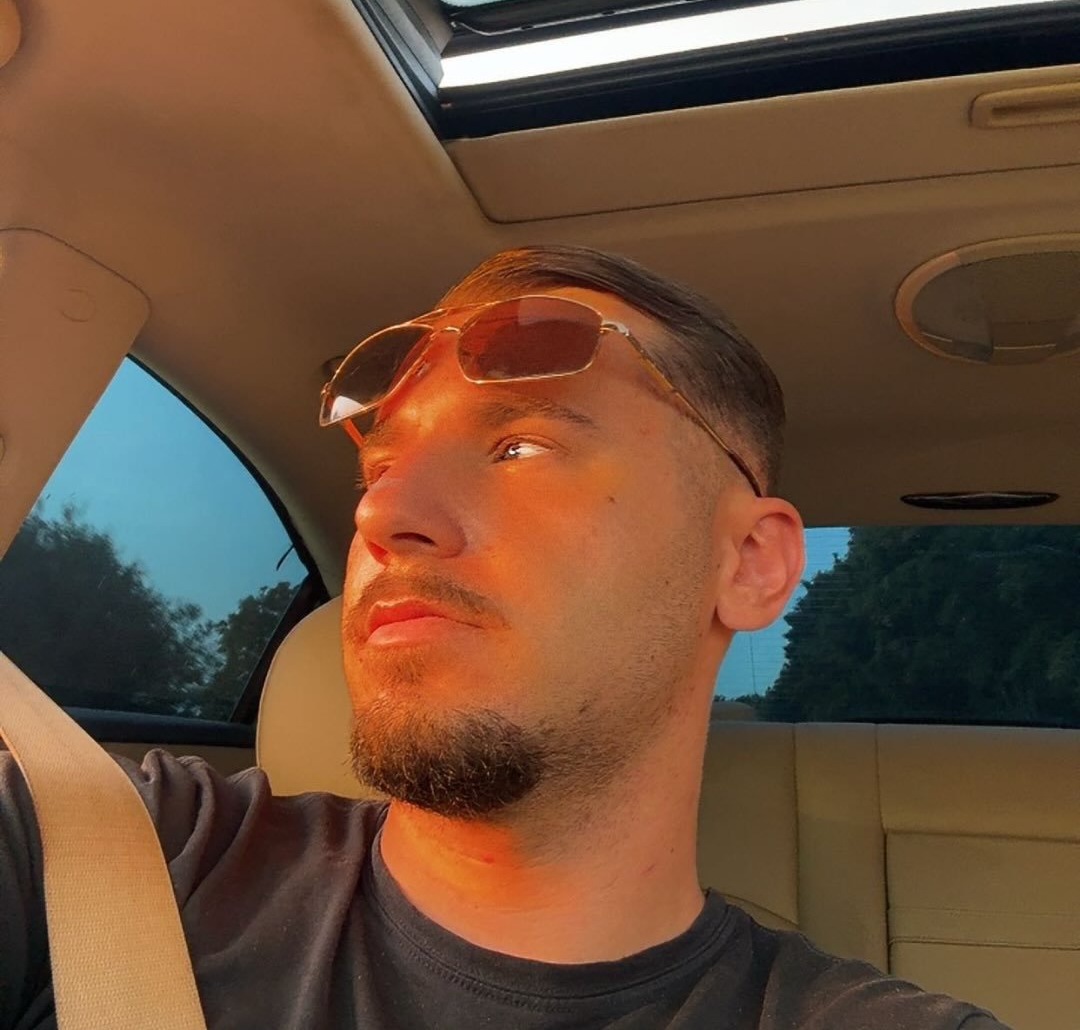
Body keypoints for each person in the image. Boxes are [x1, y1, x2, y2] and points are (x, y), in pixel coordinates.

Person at [0, 246, 1008, 1029]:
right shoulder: (106, 851)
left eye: (521, 444)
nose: (382, 516)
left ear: (749, 563)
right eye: (377, 471)